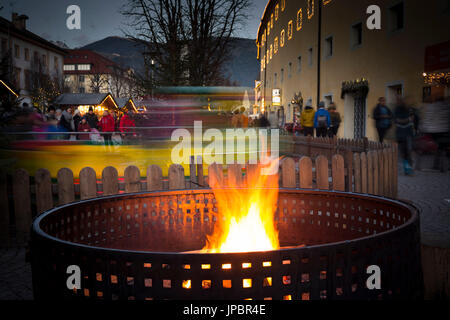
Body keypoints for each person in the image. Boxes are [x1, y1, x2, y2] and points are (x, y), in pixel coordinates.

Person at [394, 97, 415, 175]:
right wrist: (408, 120)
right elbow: (397, 120)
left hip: (408, 133)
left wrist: (408, 120)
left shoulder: (410, 109)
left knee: (408, 150)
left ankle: (409, 168)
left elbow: (413, 118)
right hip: (400, 134)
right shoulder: (397, 109)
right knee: (403, 152)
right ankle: (407, 168)